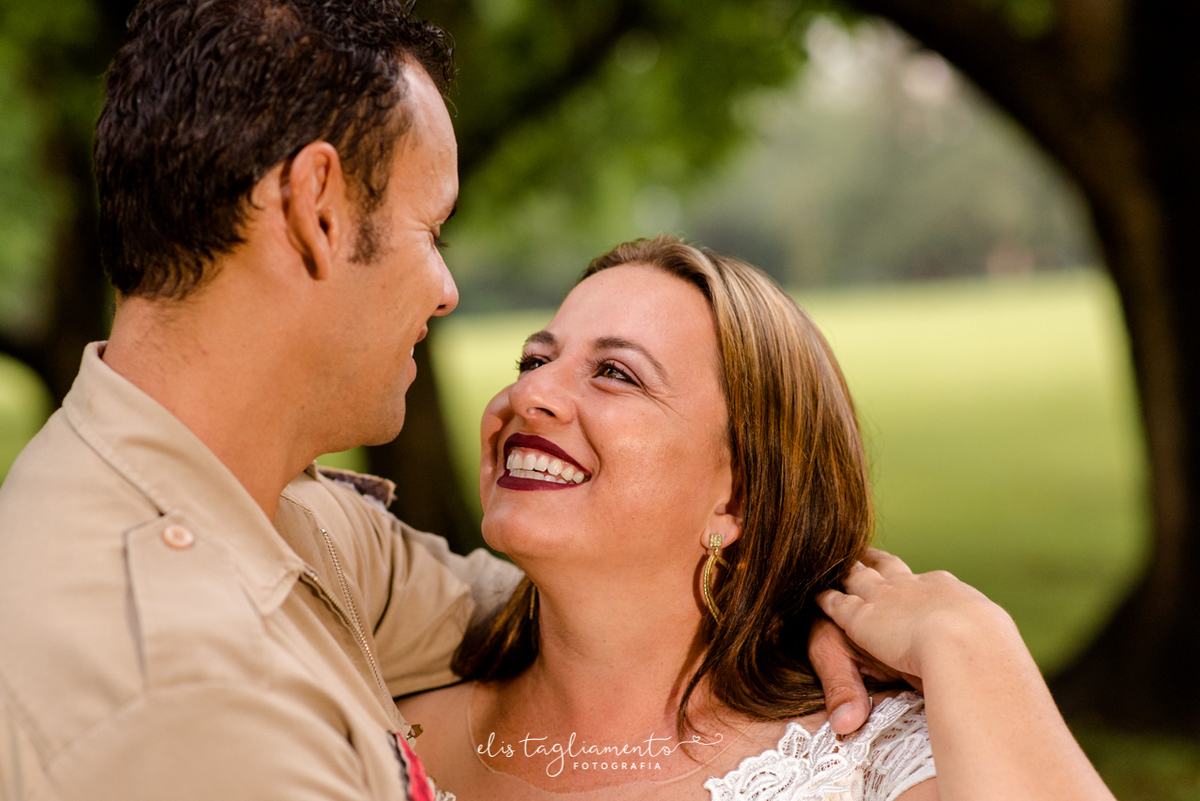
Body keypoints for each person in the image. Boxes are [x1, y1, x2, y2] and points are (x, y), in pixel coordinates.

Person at [0, 3, 872, 799]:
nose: (446, 289)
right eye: (432, 230)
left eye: (615, 372)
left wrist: (806, 607)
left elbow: (521, 603)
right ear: (316, 211)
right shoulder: (191, 701)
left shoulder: (276, 516)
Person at [399, 236, 1116, 801]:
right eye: (533, 359)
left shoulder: (875, 767)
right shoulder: (383, 736)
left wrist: (971, 639)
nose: (529, 394)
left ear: (737, 498)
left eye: (615, 373)